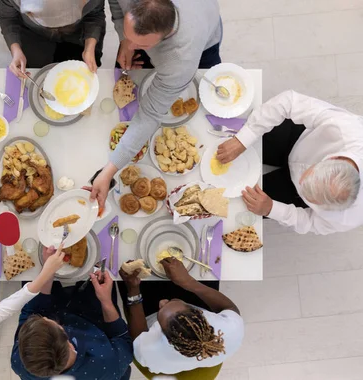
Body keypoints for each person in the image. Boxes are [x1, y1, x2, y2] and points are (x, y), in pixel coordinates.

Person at [89, 0, 222, 207]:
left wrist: (108, 172)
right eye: (130, 34)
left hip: (203, 33)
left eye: (141, 45)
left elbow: (149, 115)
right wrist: (124, 39)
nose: (133, 47)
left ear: (164, 35)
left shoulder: (180, 59)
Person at [216, 90, 363, 235]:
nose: (301, 179)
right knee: (230, 137)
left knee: (234, 201)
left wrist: (271, 209)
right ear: (332, 157)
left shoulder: (349, 218)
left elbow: (310, 222)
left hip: (292, 192)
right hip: (298, 140)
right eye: (307, 176)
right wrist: (243, 139)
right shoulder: (345, 128)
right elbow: (289, 102)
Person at [12, 248, 133, 379]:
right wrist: (105, 300)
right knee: (99, 255)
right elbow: (122, 337)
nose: (45, 318)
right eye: (51, 323)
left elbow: (33, 311)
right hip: (94, 319)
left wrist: (47, 271)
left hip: (50, 307)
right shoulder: (109, 365)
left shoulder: (21, 361)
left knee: (35, 265)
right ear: (69, 342)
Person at [119, 258, 244, 375]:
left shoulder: (150, 352)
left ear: (166, 338)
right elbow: (230, 308)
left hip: (147, 312)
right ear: (198, 311)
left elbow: (138, 335)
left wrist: (133, 289)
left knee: (125, 275)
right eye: (171, 303)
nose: (162, 301)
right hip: (192, 302)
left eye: (161, 311)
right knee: (205, 266)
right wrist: (188, 282)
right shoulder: (231, 331)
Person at [0, 0, 106, 77]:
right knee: (37, 74)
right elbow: (9, 17)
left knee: (83, 75)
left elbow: (95, 15)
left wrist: (89, 47)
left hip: (78, 34)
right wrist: (16, 49)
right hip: (33, 35)